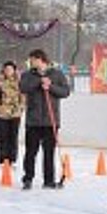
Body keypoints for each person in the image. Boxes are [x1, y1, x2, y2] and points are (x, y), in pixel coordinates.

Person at [19, 49, 71, 190]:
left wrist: (50, 86)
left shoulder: (57, 74)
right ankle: (27, 178)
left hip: (51, 120)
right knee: (31, 152)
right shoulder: (28, 75)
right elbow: (23, 88)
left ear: (40, 59)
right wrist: (39, 82)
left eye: (32, 60)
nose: (31, 62)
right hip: (33, 121)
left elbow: (65, 92)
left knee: (49, 152)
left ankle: (49, 180)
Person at [0, 61, 24, 165]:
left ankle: (13, 158)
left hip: (15, 113)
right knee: (3, 136)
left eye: (10, 69)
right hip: (2, 113)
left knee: (13, 136)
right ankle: (3, 158)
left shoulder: (19, 81)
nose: (8, 71)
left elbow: (23, 96)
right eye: (6, 69)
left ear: (14, 70)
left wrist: (20, 107)